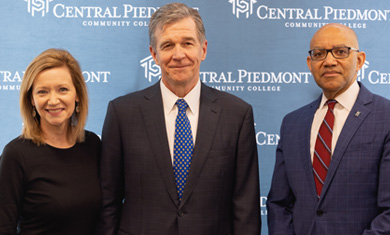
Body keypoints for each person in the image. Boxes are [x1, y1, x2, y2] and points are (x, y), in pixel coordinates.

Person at [97, 2, 260, 235]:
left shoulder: (236, 114)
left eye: (187, 43)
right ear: (154, 54)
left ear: (203, 49)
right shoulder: (122, 113)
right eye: (167, 45)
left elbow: (245, 207)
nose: (178, 54)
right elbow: (108, 203)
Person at [267, 23, 390, 234]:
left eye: (341, 52)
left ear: (359, 60)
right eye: (319, 54)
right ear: (310, 62)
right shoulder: (292, 123)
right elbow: (279, 204)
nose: (329, 61)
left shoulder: (385, 116)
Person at [0, 49, 101, 234]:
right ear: (31, 99)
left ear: (77, 94)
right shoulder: (16, 155)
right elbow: (4, 226)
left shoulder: (93, 144)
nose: (53, 100)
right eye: (42, 92)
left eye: (62, 89)